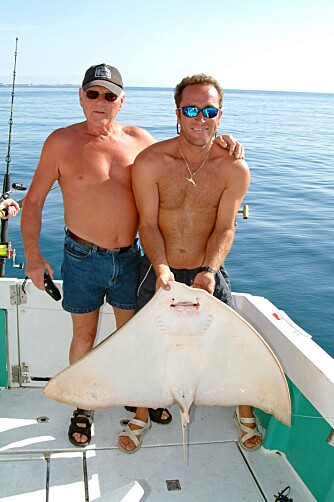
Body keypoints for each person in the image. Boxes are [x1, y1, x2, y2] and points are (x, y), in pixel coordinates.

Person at [20, 64, 243, 448]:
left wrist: (223, 141)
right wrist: (33, 257)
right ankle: (82, 405)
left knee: (133, 336)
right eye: (93, 94)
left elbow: (186, 149)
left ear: (121, 102)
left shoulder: (140, 140)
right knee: (84, 336)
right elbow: (34, 201)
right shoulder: (59, 142)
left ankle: (138, 397)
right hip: (81, 257)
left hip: (130, 260)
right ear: (81, 97)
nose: (100, 102)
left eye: (109, 95)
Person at [119, 73, 262, 454]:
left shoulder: (234, 168)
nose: (201, 118)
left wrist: (210, 271)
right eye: (192, 109)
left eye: (209, 110)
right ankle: (142, 413)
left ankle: (244, 409)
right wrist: (161, 265)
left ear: (220, 114)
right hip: (159, 267)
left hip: (207, 271)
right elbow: (147, 224)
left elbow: (225, 227)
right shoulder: (150, 162)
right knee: (148, 343)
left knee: (230, 344)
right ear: (178, 112)